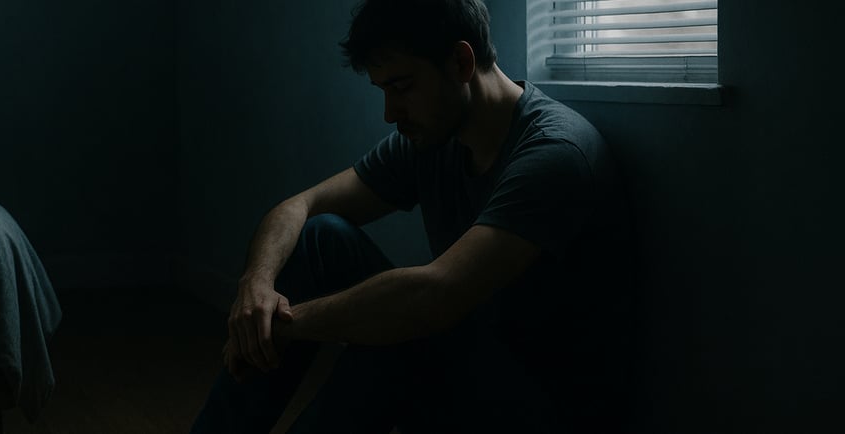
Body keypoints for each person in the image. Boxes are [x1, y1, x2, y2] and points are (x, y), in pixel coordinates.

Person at [191, 0, 636, 432]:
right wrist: (255, 289)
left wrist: (283, 326)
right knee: (323, 238)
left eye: (402, 88)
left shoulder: (555, 154)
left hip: (540, 408)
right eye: (384, 91)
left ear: (461, 62)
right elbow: (298, 207)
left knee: (402, 321)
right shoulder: (432, 140)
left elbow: (435, 296)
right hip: (463, 372)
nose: (390, 114)